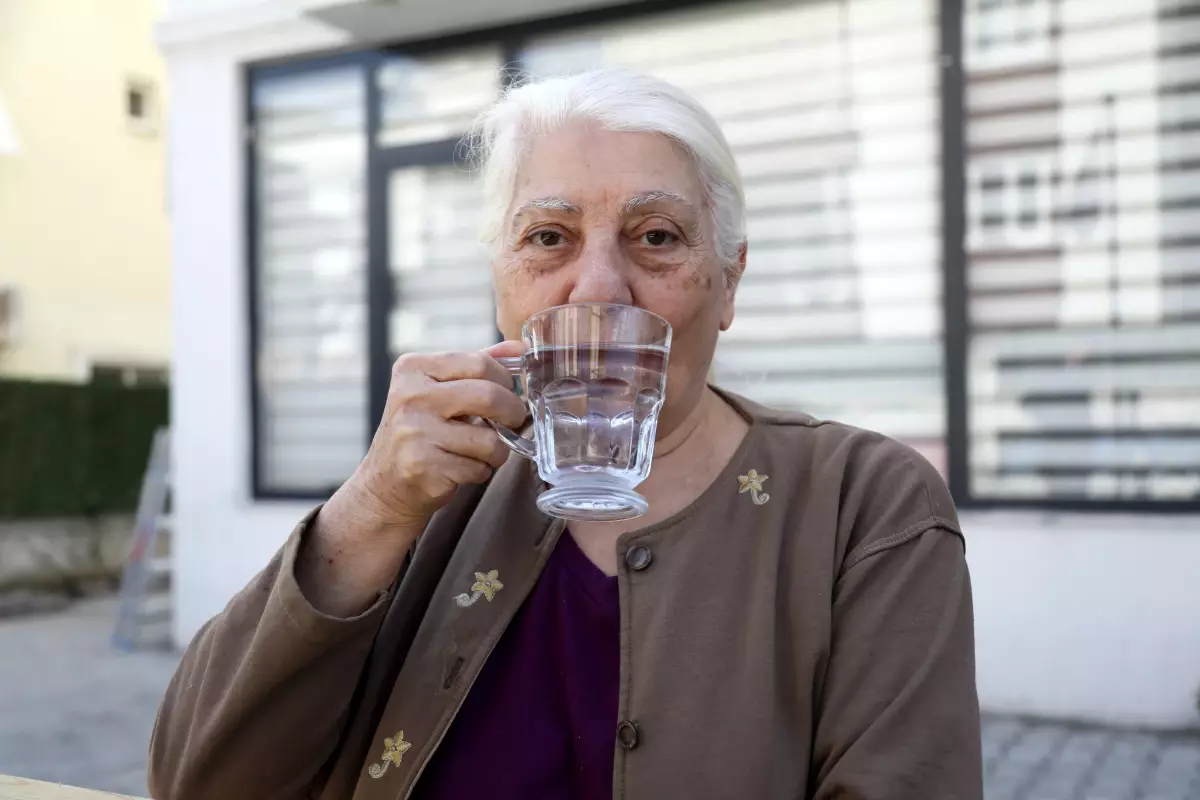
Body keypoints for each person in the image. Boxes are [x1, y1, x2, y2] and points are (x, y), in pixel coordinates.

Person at [148, 68, 982, 800]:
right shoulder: (426, 485)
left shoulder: (863, 504)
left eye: (657, 237)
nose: (599, 288)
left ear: (728, 283)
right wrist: (371, 507)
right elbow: (197, 782)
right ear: (502, 284)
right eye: (549, 238)